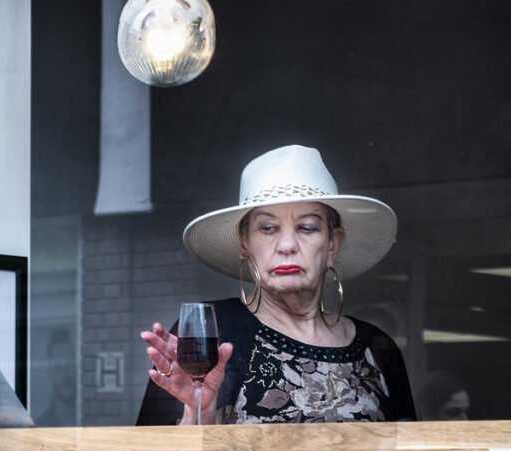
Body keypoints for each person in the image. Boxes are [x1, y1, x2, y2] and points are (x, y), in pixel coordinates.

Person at [137, 145, 415, 425]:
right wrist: (200, 413)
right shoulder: (212, 333)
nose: (287, 245)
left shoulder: (377, 348)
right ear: (245, 243)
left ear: (333, 243)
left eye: (307, 227)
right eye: (268, 228)